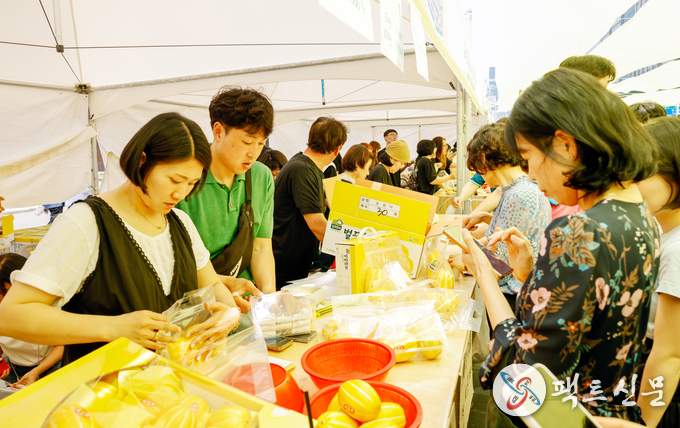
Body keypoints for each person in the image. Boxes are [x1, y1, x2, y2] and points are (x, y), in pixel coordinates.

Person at [462, 68, 658, 424]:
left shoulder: (578, 231)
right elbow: (589, 317)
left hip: (567, 416)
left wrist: (483, 273)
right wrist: (532, 276)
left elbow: (525, 378)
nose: (530, 172)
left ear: (566, 145)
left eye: (528, 156)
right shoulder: (639, 214)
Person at [0, 113, 241, 365]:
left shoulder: (180, 223)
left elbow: (213, 286)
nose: (181, 193)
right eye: (174, 180)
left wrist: (228, 314)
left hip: (170, 383)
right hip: (101, 385)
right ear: (141, 161)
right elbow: (11, 316)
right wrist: (114, 327)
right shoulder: (85, 223)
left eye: (192, 183)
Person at [178, 88, 274, 315]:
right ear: (218, 131)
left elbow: (261, 247)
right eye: (247, 142)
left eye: (261, 143)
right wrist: (225, 287)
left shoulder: (261, 176)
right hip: (198, 306)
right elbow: (178, 265)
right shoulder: (185, 179)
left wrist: (269, 299)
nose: (254, 153)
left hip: (247, 303)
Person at [450, 123, 551, 305]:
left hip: (513, 296)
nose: (479, 174)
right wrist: (485, 217)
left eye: (476, 167)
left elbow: (500, 264)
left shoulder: (518, 195)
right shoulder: (518, 189)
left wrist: (466, 262)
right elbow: (516, 231)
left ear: (483, 158)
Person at [635, 117, 680, 428]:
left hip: (665, 397)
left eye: (641, 173)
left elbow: (669, 356)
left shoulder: (676, 248)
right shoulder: (665, 235)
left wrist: (643, 422)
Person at [272, 117, 347, 288]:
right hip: (284, 264)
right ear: (337, 149)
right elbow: (317, 224)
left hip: (293, 260)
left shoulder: (308, 168)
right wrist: (351, 252)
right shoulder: (303, 170)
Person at [0, 254, 63, 386]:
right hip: (14, 369)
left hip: (50, 366)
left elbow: (61, 346)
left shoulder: (48, 305)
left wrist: (37, 371)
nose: (3, 301)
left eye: (6, 292)